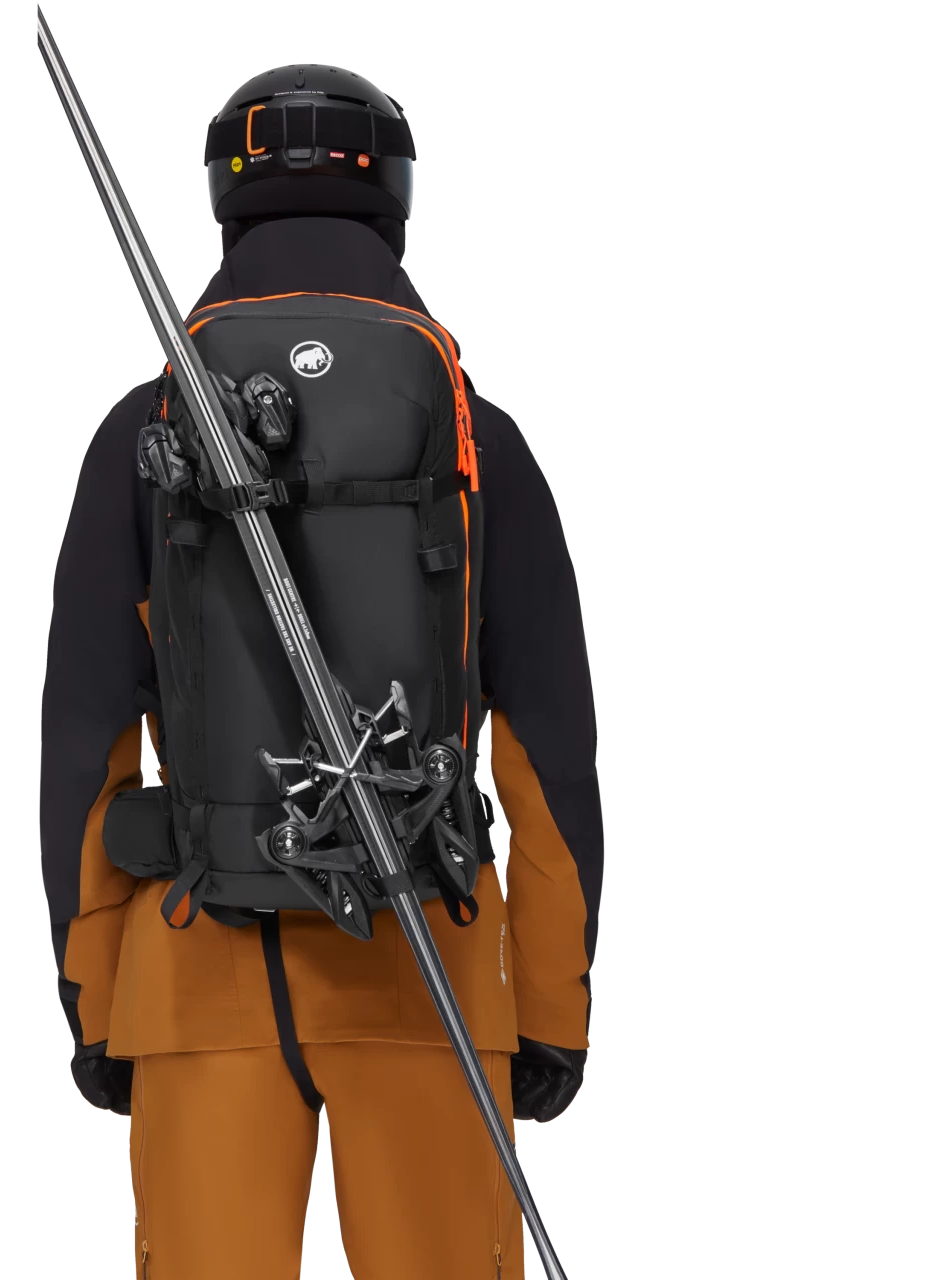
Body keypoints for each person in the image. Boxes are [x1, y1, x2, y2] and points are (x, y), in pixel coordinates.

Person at [40, 64, 605, 1280]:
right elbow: (549, 747)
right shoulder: (477, 436)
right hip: (429, 974)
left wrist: (97, 994)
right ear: (394, 197)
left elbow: (85, 740)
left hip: (195, 982)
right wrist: (547, 1006)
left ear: (222, 199)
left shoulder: (140, 432)